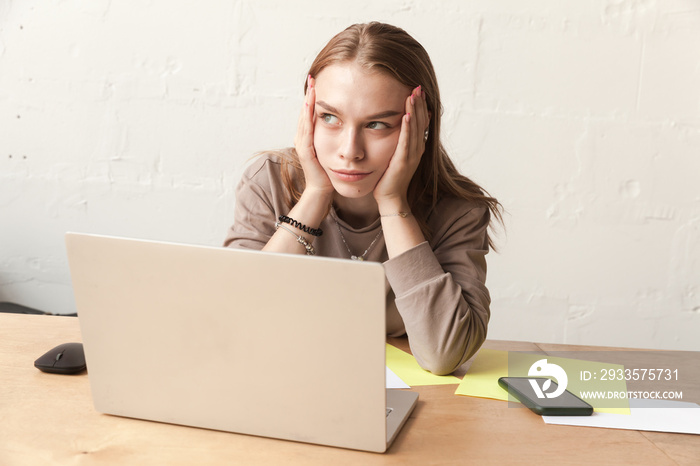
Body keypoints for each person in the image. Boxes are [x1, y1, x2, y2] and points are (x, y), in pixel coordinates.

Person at [224, 22, 502, 375]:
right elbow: (234, 320)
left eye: (377, 125)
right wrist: (315, 194)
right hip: (282, 378)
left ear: (419, 123)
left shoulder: (459, 211)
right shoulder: (269, 181)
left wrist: (394, 206)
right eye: (329, 118)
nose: (349, 151)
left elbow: (443, 354)